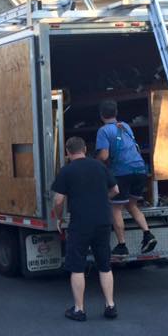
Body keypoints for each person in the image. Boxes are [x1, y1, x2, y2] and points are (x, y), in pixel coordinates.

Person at [52, 136, 120, 321]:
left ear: (68, 152)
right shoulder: (100, 166)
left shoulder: (67, 171)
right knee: (104, 265)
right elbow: (115, 190)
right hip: (102, 221)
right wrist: (102, 199)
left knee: (77, 267)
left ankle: (79, 310)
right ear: (84, 149)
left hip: (80, 223)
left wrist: (59, 217)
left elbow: (58, 200)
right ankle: (110, 306)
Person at [95, 99, 157, 256]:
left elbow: (104, 155)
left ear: (101, 115)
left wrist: (93, 162)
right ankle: (147, 234)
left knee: (115, 208)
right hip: (140, 170)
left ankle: (122, 245)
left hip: (122, 172)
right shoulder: (125, 126)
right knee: (131, 205)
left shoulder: (103, 131)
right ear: (116, 113)